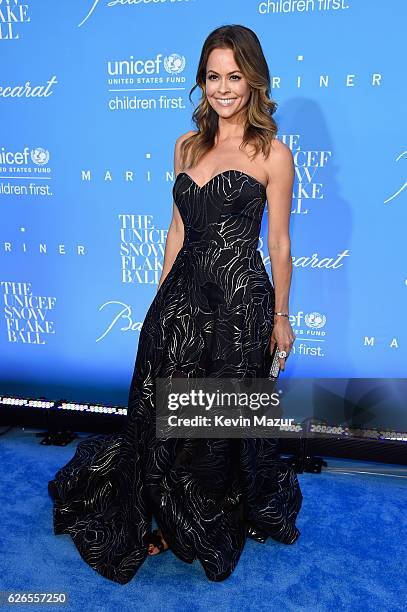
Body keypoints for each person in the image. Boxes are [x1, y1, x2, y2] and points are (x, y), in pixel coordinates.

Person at [48, 24, 303, 585]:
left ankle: (209, 512)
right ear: (201, 83)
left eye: (235, 76)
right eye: (213, 77)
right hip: (184, 295)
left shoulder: (273, 154)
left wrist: (281, 317)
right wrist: (162, 298)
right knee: (168, 406)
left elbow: (280, 244)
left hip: (240, 306)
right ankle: (165, 509)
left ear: (255, 80)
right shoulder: (187, 147)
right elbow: (176, 230)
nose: (224, 88)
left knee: (222, 418)